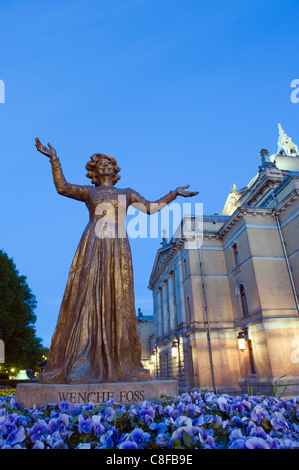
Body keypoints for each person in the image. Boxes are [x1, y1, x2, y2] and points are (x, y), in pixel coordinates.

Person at [35, 138, 198, 383]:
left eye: (110, 163)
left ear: (115, 169)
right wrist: (54, 160)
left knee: (118, 299)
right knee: (88, 296)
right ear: (94, 170)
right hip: (93, 243)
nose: (106, 165)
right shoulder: (90, 192)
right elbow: (63, 187)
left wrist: (173, 194)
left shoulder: (127, 193)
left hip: (118, 246)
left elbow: (151, 208)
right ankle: (83, 360)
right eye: (101, 163)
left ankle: (122, 362)